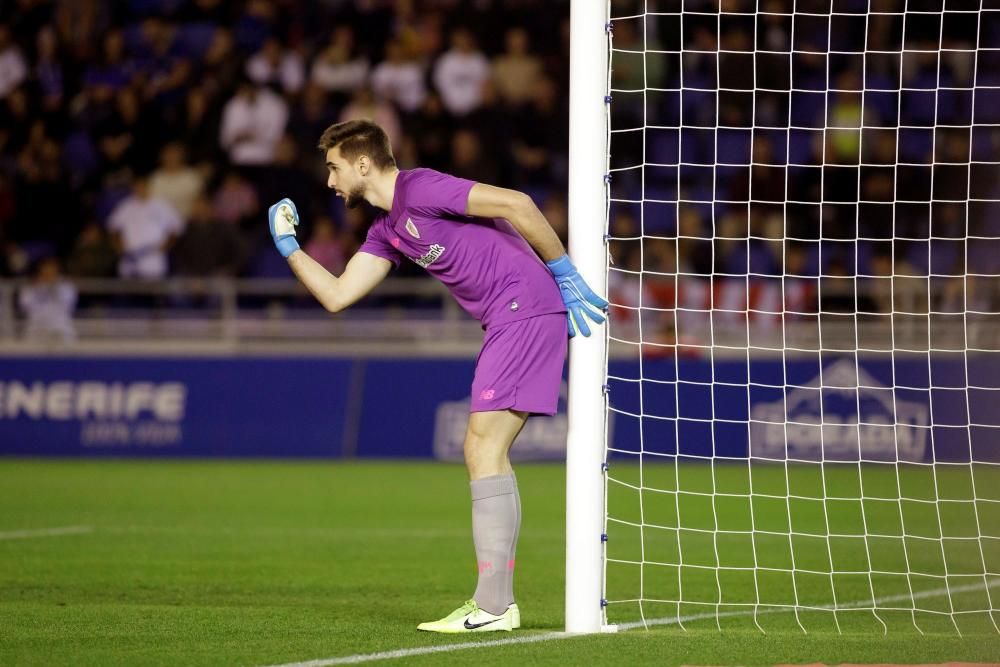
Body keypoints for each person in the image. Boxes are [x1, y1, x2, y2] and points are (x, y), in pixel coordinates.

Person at [266, 119, 607, 633]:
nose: (330, 182)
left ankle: (494, 606)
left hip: (524, 308)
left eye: (334, 168)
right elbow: (337, 296)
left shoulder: (419, 187)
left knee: (482, 447)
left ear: (363, 164)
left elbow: (516, 203)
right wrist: (289, 247)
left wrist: (562, 269)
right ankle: (497, 603)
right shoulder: (387, 230)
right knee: (483, 449)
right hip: (508, 317)